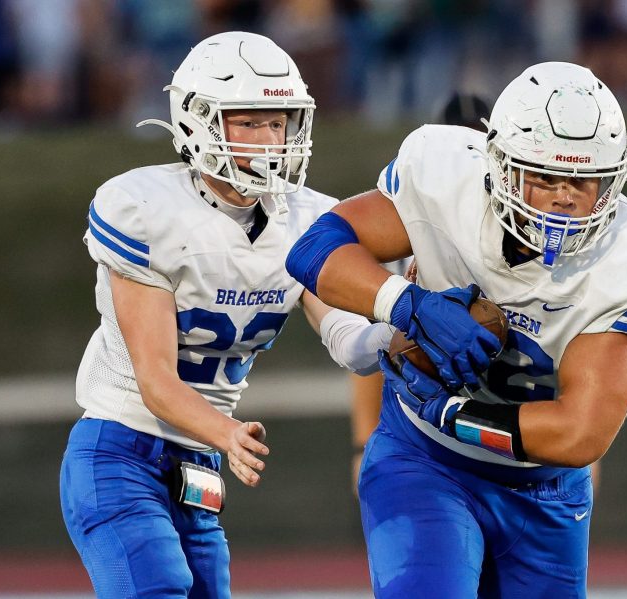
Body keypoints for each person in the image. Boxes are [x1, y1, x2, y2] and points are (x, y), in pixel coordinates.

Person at [287, 62, 627, 597]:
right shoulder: (446, 183)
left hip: (542, 488)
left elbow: (578, 433)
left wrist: (451, 412)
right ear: (501, 166)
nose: (563, 197)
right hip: (425, 460)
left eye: (581, 179)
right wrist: (407, 304)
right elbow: (316, 249)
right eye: (546, 176)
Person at [59, 32, 391, 599]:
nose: (267, 140)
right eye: (248, 122)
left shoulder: (307, 219)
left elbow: (348, 342)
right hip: (120, 449)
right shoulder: (145, 209)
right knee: (157, 587)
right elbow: (157, 382)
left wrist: (400, 330)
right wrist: (228, 432)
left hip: (199, 464)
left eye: (276, 122)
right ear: (198, 120)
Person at [349, 92, 489, 490]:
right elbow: (375, 344)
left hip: (503, 407)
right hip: (421, 417)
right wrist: (363, 440)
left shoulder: (528, 226)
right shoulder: (406, 224)